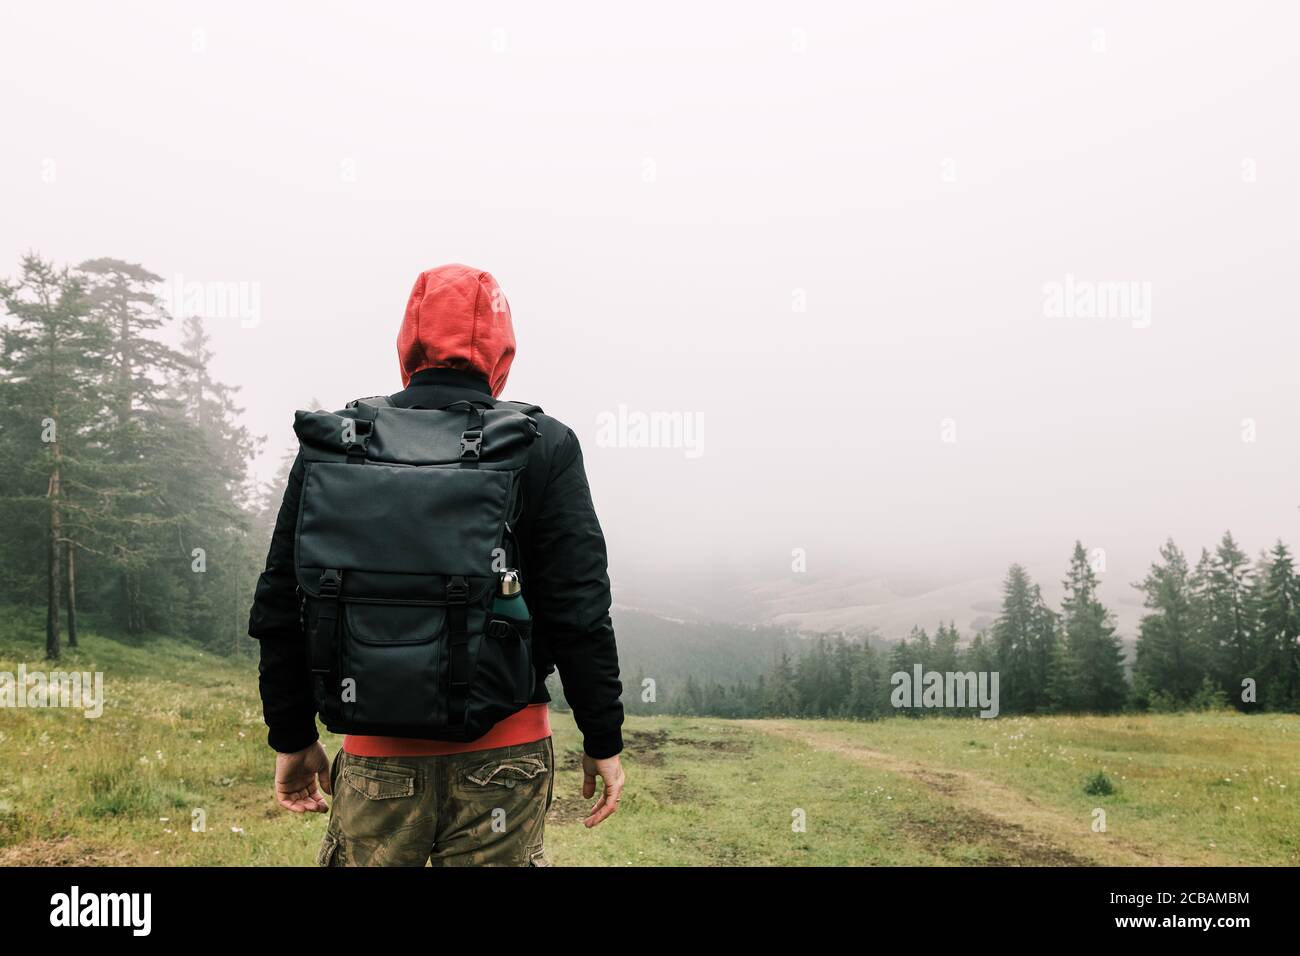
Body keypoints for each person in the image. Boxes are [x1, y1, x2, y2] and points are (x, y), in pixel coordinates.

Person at [248, 263, 625, 866]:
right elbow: (579, 607)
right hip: (507, 752)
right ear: (501, 349)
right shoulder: (542, 442)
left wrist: (293, 735)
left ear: (409, 341)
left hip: (377, 756)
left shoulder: (344, 441)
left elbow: (280, 600)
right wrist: (603, 737)